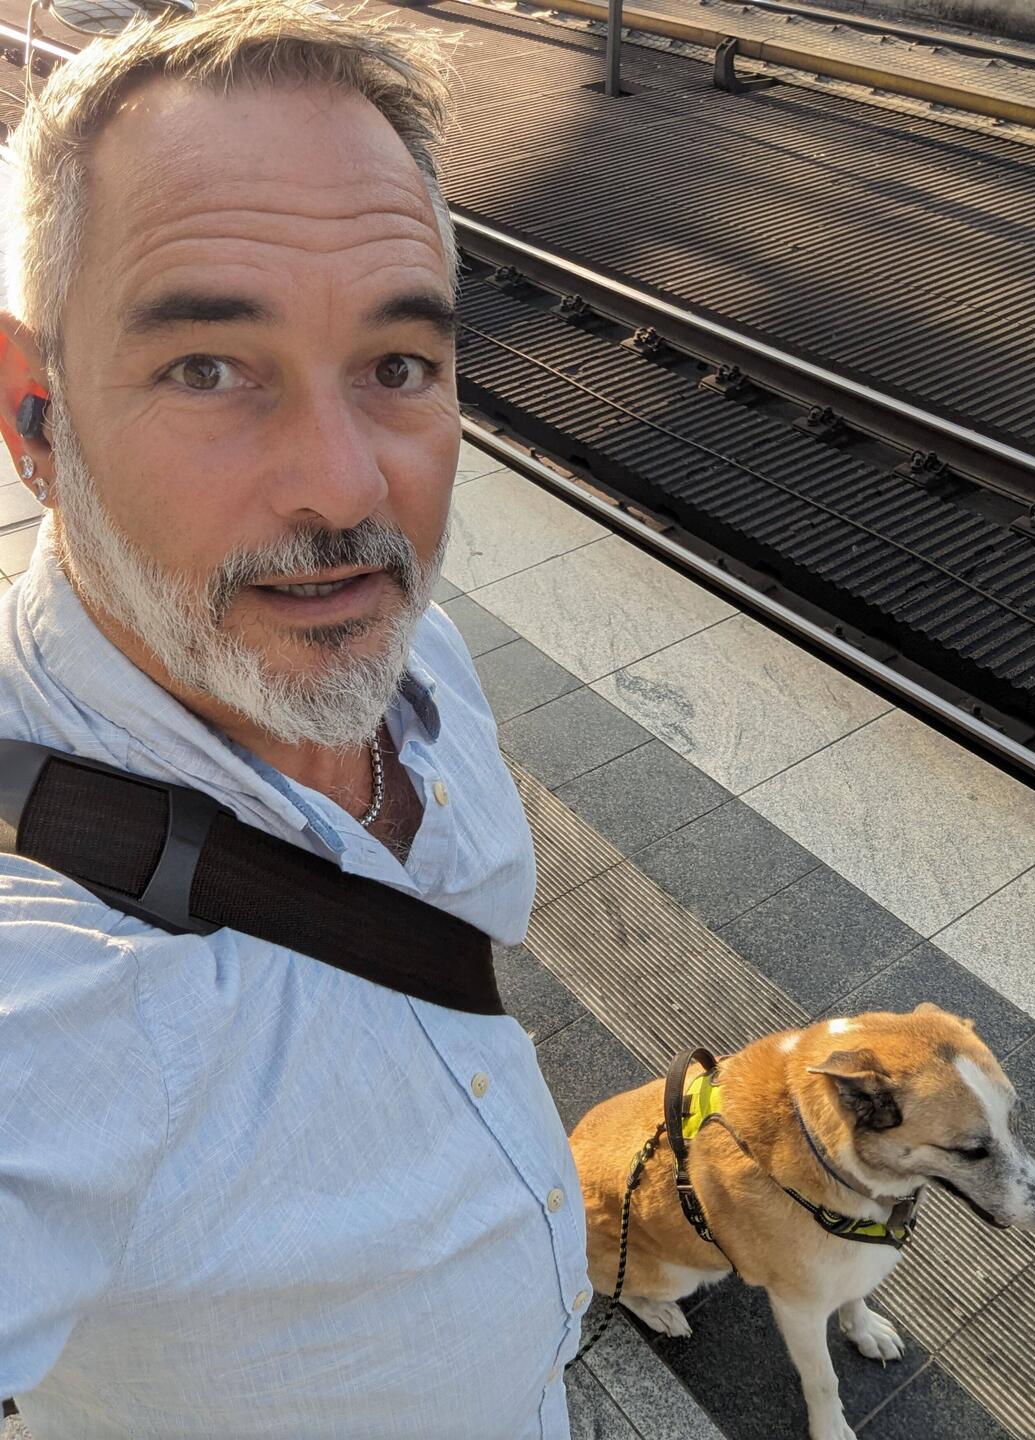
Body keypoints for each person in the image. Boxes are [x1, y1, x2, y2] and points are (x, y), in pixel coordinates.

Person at [0, 3, 591, 1435]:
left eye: (398, 366)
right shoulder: (52, 985)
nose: (345, 487)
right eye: (208, 367)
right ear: (33, 418)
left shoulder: (416, 655)